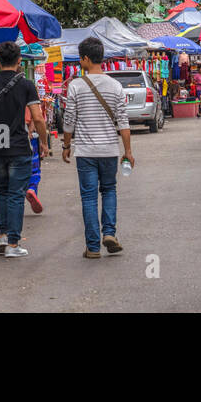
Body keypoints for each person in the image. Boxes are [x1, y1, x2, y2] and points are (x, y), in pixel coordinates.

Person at [60, 37, 132, 259]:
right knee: (109, 190)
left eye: (80, 58)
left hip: (86, 152)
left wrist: (66, 144)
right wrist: (127, 151)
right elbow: (123, 121)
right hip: (110, 150)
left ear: (85, 58)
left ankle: (92, 247)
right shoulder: (116, 86)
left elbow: (69, 119)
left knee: (89, 197)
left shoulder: (76, 85)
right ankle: (109, 233)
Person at [0, 41, 48, 257]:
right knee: (16, 193)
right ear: (19, 61)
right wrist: (43, 142)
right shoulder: (26, 85)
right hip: (18, 146)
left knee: (1, 191)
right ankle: (14, 245)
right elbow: (37, 117)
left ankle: (2, 237)